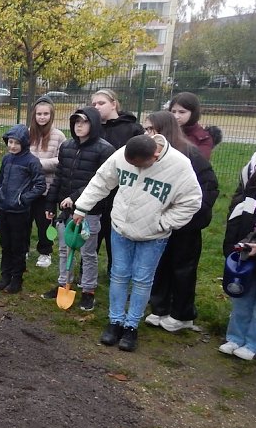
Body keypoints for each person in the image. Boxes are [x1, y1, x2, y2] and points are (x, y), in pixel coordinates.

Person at [73, 133, 201, 352]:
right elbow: (102, 180)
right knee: (118, 275)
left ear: (155, 155)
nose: (137, 168)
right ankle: (115, 322)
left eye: (141, 165)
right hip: (120, 228)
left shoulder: (180, 166)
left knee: (142, 280)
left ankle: (131, 327)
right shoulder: (123, 155)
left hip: (153, 236)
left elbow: (191, 201)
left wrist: (163, 223)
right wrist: (82, 207)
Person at [144, 111, 218, 332]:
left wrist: (188, 216)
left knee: (183, 269)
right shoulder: (152, 156)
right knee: (160, 265)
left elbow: (208, 189)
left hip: (186, 224)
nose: (146, 133)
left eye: (150, 129)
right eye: (145, 129)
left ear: (163, 131)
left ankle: (182, 314)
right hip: (160, 222)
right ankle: (160, 308)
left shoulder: (190, 155)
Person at [42, 107, 115, 312]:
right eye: (76, 122)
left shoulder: (105, 150)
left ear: (94, 124)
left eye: (84, 122)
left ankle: (88, 290)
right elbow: (59, 176)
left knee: (87, 251)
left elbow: (99, 182)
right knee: (64, 248)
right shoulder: (66, 146)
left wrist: (74, 199)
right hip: (65, 209)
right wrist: (50, 203)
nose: (79, 126)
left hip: (89, 211)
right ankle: (63, 283)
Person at [219, 145, 256, 361]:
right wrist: (235, 243)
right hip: (247, 247)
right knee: (242, 294)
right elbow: (241, 212)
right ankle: (235, 337)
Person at [92, 88, 144, 273]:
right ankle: (87, 271)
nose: (97, 107)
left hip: (122, 191)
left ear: (113, 103)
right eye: (94, 104)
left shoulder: (132, 128)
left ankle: (117, 271)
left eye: (101, 103)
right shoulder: (93, 128)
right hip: (98, 189)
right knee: (93, 234)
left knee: (116, 233)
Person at [0, 124, 45, 294]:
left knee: (18, 246)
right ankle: (5, 276)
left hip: (20, 213)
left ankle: (17, 279)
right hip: (4, 209)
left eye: (16, 143)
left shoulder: (31, 162)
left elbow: (40, 185)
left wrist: (23, 199)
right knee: (5, 245)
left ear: (24, 143)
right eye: (10, 142)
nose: (12, 146)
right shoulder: (6, 159)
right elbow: (0, 182)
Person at [28, 96, 66, 268]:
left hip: (47, 186)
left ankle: (45, 252)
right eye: (39, 114)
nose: (42, 117)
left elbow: (62, 159)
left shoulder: (58, 136)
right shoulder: (29, 133)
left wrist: (39, 165)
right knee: (24, 220)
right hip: (27, 186)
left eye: (45, 114)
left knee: (45, 222)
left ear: (51, 115)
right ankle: (24, 248)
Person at [169, 92, 215, 160]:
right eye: (173, 112)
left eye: (182, 112)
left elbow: (199, 162)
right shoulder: (163, 131)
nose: (176, 116)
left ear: (193, 113)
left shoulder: (203, 138)